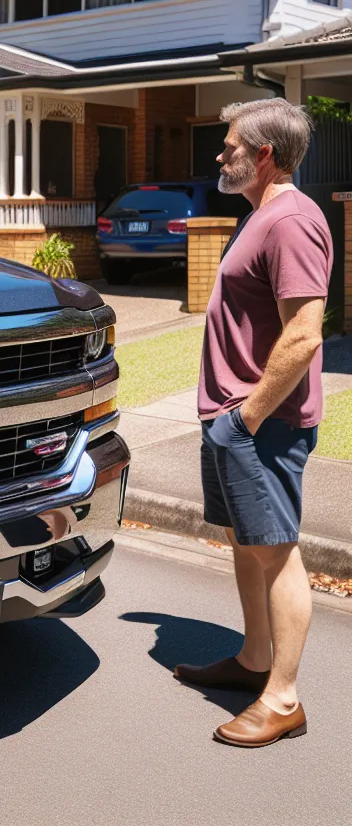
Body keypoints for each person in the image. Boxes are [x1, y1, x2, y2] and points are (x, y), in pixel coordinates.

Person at [173, 98, 332, 748]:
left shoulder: (292, 220)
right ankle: (255, 660)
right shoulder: (260, 215)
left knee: (276, 550)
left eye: (231, 145)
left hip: (262, 425)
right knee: (245, 542)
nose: (221, 155)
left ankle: (284, 699)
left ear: (264, 155)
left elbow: (305, 332)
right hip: (233, 421)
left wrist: (246, 417)